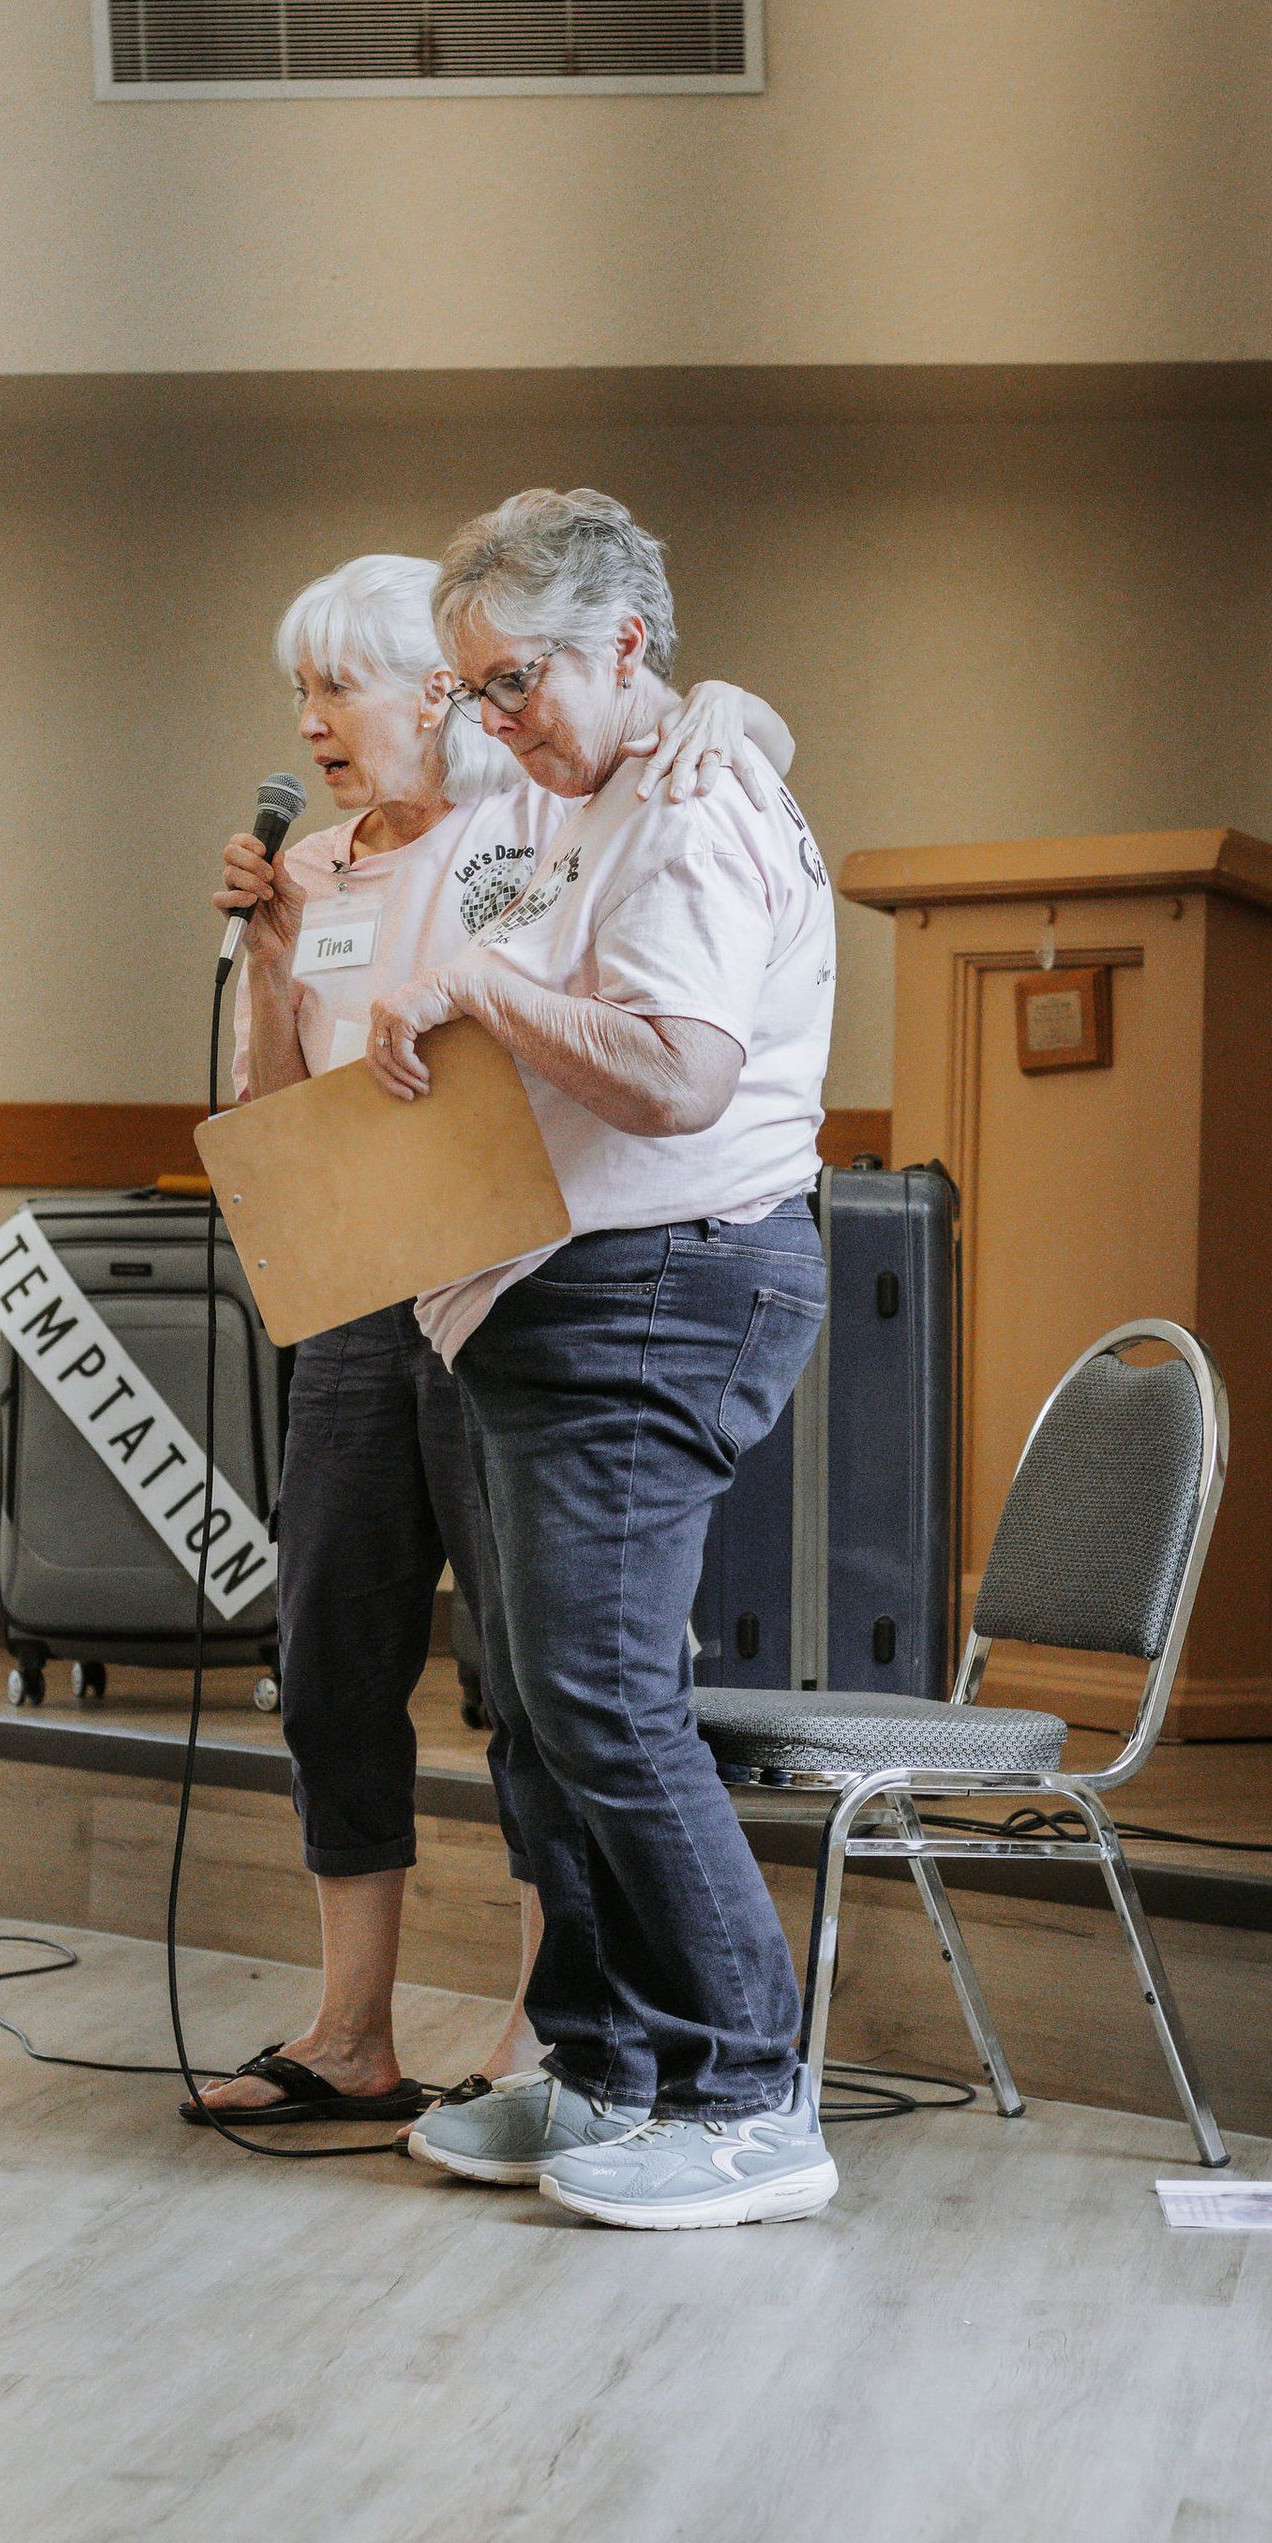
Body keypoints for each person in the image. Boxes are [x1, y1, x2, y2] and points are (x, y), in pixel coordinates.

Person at [192, 549, 797, 2123]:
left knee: (546, 1684)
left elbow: (694, 777)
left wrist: (735, 709)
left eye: (343, 685)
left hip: (532, 1279)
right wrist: (270, 961)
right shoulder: (332, 869)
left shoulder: (525, 817)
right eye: (301, 694)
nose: (317, 722)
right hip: (367, 1296)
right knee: (339, 1657)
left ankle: (580, 2051)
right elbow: (281, 1116)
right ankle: (370, 2035)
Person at [365, 490, 839, 2230]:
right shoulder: (599, 790)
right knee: (539, 1718)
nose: (494, 724)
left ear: (624, 644)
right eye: (471, 694)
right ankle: (604, 2068)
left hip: (664, 1289)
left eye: (511, 685)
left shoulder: (700, 798)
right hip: (546, 1300)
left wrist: (483, 990)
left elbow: (679, 1075)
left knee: (606, 1700)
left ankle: (748, 2092)